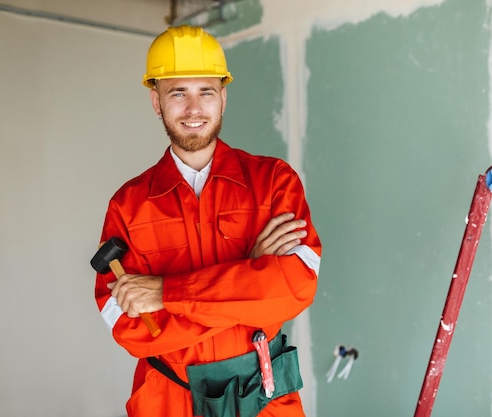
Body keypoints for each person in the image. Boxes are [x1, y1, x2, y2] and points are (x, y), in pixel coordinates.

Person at [93, 25, 321, 417]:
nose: (194, 108)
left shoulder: (273, 183)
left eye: (206, 92)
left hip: (263, 397)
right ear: (156, 101)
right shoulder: (129, 206)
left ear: (224, 98)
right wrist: (248, 279)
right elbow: (131, 331)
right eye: (178, 93)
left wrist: (167, 294)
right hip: (170, 401)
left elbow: (294, 289)